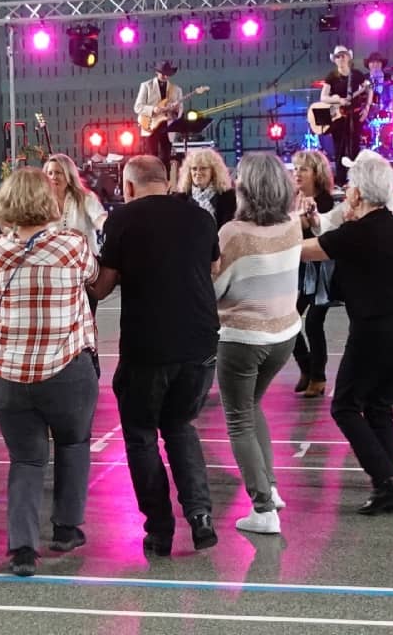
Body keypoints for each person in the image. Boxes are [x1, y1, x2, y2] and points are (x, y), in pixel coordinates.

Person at [90, 156, 218, 556]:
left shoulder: (123, 220)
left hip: (149, 345)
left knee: (142, 436)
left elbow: (102, 287)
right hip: (200, 341)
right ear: (167, 180)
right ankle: (200, 517)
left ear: (128, 187)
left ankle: (160, 528)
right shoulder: (201, 218)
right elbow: (214, 268)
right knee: (181, 426)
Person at [0, 168, 100, 577]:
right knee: (73, 444)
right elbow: (92, 277)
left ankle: (22, 549)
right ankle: (66, 530)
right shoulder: (73, 245)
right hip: (66, 369)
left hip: (8, 374)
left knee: (26, 459)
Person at [299, 152, 393, 515]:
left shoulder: (356, 233)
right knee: (379, 406)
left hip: (377, 327)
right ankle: (392, 486)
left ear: (358, 193)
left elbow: (306, 252)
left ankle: (386, 481)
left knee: (345, 406)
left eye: (351, 186)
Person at [213, 153, 302, 533]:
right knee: (252, 406)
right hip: (285, 334)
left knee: (238, 421)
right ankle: (272, 487)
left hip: (242, 338)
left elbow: (217, 289)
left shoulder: (233, 233)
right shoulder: (293, 225)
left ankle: (263, 509)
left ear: (245, 188)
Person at [290, 150, 336, 397]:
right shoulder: (293, 200)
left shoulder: (326, 201)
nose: (297, 173)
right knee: (288, 320)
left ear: (316, 173)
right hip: (300, 270)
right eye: (295, 169)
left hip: (322, 272)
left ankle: (318, 376)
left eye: (303, 169)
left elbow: (325, 234)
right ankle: (307, 368)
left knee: (314, 322)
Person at [320, 46, 372, 182]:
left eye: (343, 55)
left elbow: (369, 90)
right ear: (335, 60)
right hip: (338, 118)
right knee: (339, 149)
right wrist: (337, 99)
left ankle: (355, 181)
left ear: (349, 57)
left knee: (354, 148)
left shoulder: (357, 75)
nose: (341, 59)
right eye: (338, 56)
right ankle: (341, 181)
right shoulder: (332, 77)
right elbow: (323, 97)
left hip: (354, 116)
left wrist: (366, 108)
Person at [44, 154, 107, 254]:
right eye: (50, 173)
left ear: (69, 175)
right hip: (54, 260)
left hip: (84, 260)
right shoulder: (41, 201)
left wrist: (105, 223)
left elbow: (99, 218)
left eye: (58, 173)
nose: (53, 177)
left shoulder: (86, 197)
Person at [134, 60, 185, 183]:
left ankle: (164, 184)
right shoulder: (146, 86)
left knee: (165, 157)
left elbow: (180, 111)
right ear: (157, 72)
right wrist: (153, 109)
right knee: (152, 156)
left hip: (167, 126)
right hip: (150, 124)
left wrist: (176, 111)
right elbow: (138, 107)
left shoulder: (176, 90)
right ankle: (151, 182)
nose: (165, 76)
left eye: (167, 73)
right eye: (162, 73)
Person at [174, 148, 236, 230]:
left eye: (203, 168)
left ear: (214, 171)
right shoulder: (180, 199)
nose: (198, 173)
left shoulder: (229, 197)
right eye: (194, 168)